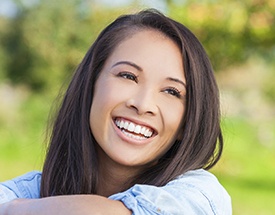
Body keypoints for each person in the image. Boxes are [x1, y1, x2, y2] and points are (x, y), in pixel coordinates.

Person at [0, 9, 231, 214]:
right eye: (128, 76)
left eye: (171, 91)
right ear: (90, 85)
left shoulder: (199, 197)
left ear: (187, 122)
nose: (143, 105)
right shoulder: (21, 193)